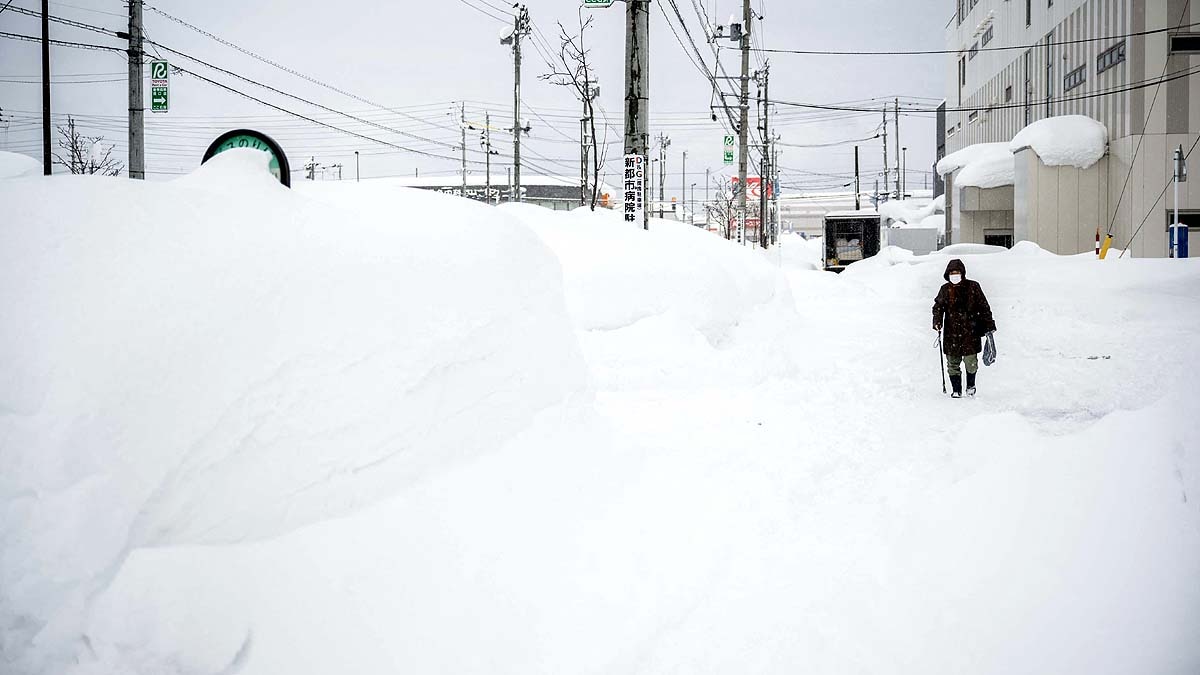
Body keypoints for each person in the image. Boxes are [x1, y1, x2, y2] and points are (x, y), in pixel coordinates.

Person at [932, 258, 996, 398]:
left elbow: (984, 307)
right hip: (951, 333)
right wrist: (937, 321)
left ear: (962, 273)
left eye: (957, 272)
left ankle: (970, 386)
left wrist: (989, 325)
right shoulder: (945, 289)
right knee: (952, 363)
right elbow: (938, 307)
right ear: (947, 274)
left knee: (971, 362)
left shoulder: (973, 287)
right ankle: (956, 390)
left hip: (970, 332)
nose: (954, 275)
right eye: (951, 273)